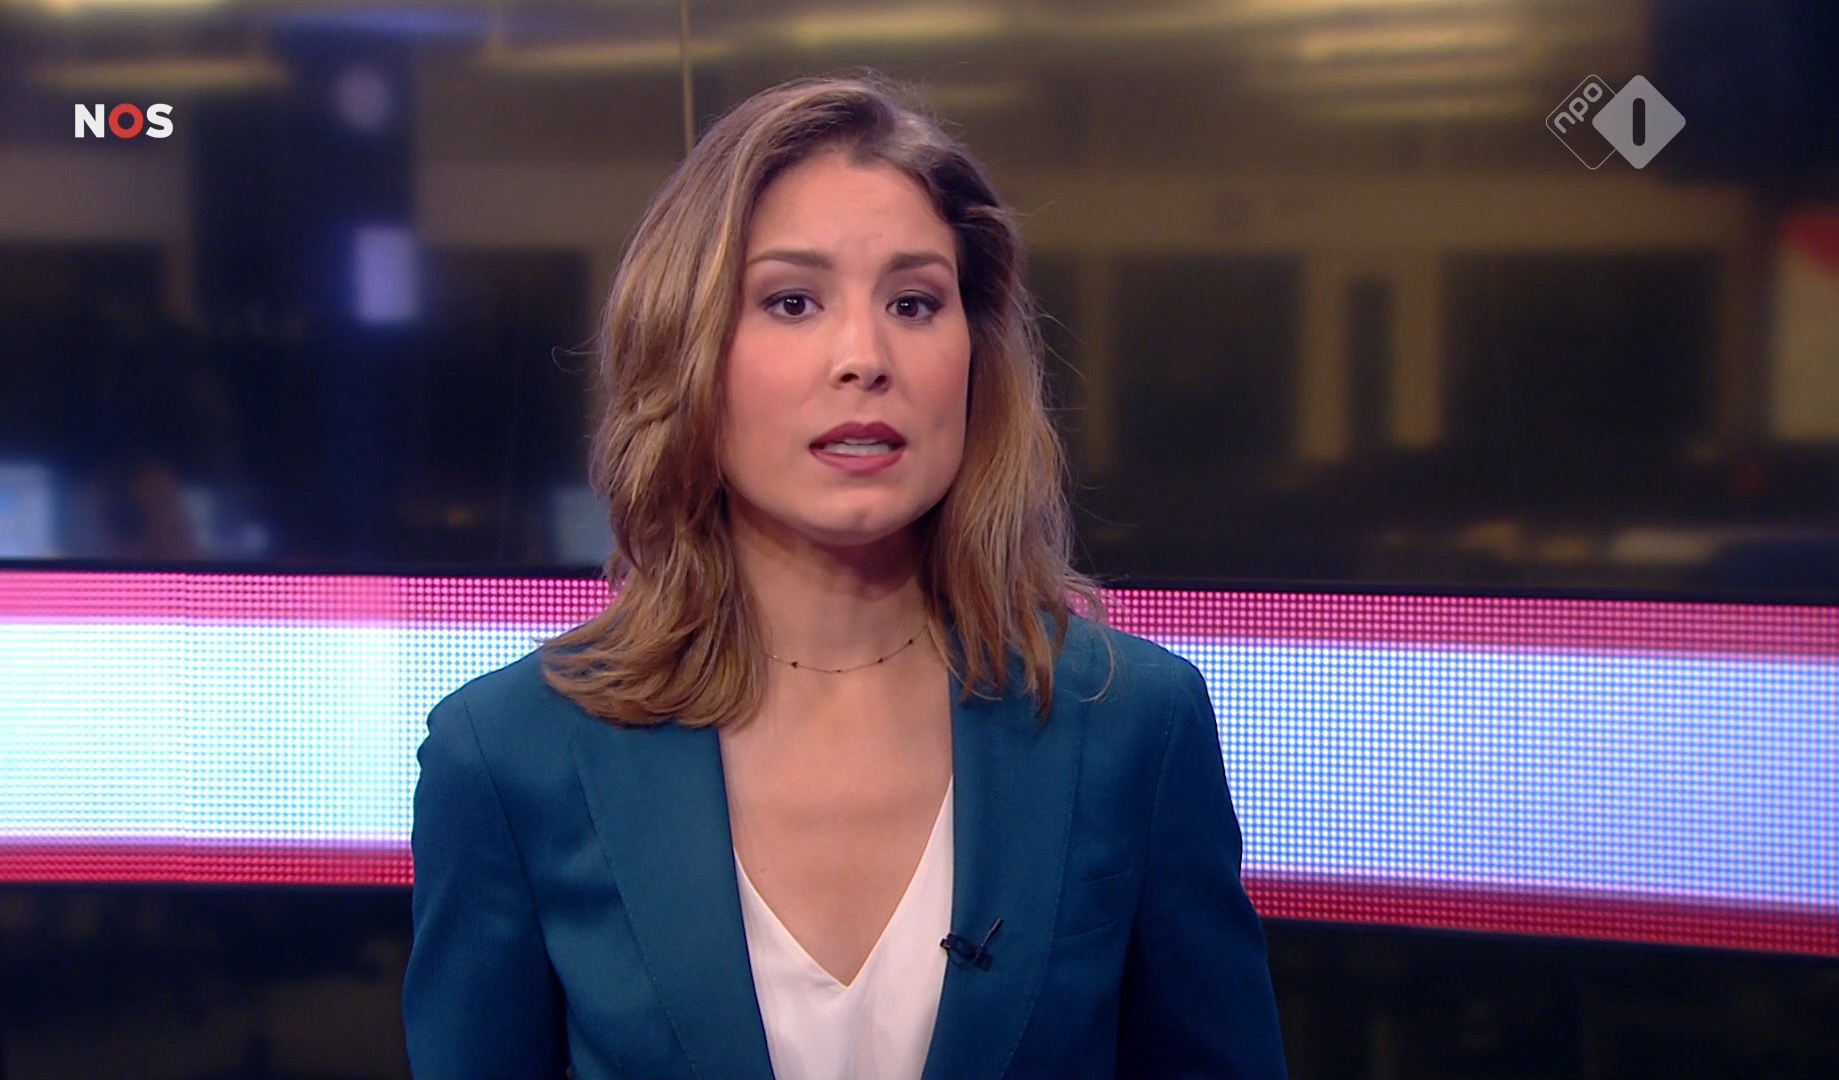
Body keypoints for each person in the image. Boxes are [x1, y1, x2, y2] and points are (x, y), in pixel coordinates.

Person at [403, 72, 1288, 1080]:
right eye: (792, 301)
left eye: (915, 302)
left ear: (974, 356)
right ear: (689, 351)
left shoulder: (1133, 724)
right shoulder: (509, 755)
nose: (865, 357)